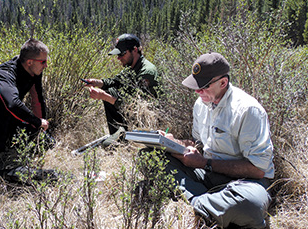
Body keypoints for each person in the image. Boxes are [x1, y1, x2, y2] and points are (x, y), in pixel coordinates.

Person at [152, 52, 274, 228]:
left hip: (246, 182)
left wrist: (204, 163)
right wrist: (174, 143)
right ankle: (207, 206)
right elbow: (199, 144)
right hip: (208, 174)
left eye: (203, 87)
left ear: (223, 83)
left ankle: (193, 203)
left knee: (250, 204)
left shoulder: (248, 110)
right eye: (196, 86)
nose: (197, 91)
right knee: (150, 157)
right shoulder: (201, 104)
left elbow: (258, 170)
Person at [0, 38, 51, 170]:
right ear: (30, 62)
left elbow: (37, 100)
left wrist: (39, 128)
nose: (46, 65)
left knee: (46, 142)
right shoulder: (5, 73)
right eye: (43, 62)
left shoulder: (35, 71)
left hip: (6, 117)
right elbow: (12, 104)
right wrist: (36, 121)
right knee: (3, 103)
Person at [84, 34, 159, 147]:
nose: (118, 58)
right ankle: (119, 134)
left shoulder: (147, 72)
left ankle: (125, 139)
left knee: (107, 145)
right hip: (132, 115)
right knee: (109, 91)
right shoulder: (131, 67)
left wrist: (104, 97)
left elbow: (138, 109)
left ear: (134, 50)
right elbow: (115, 81)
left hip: (147, 123)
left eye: (122, 54)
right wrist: (97, 82)